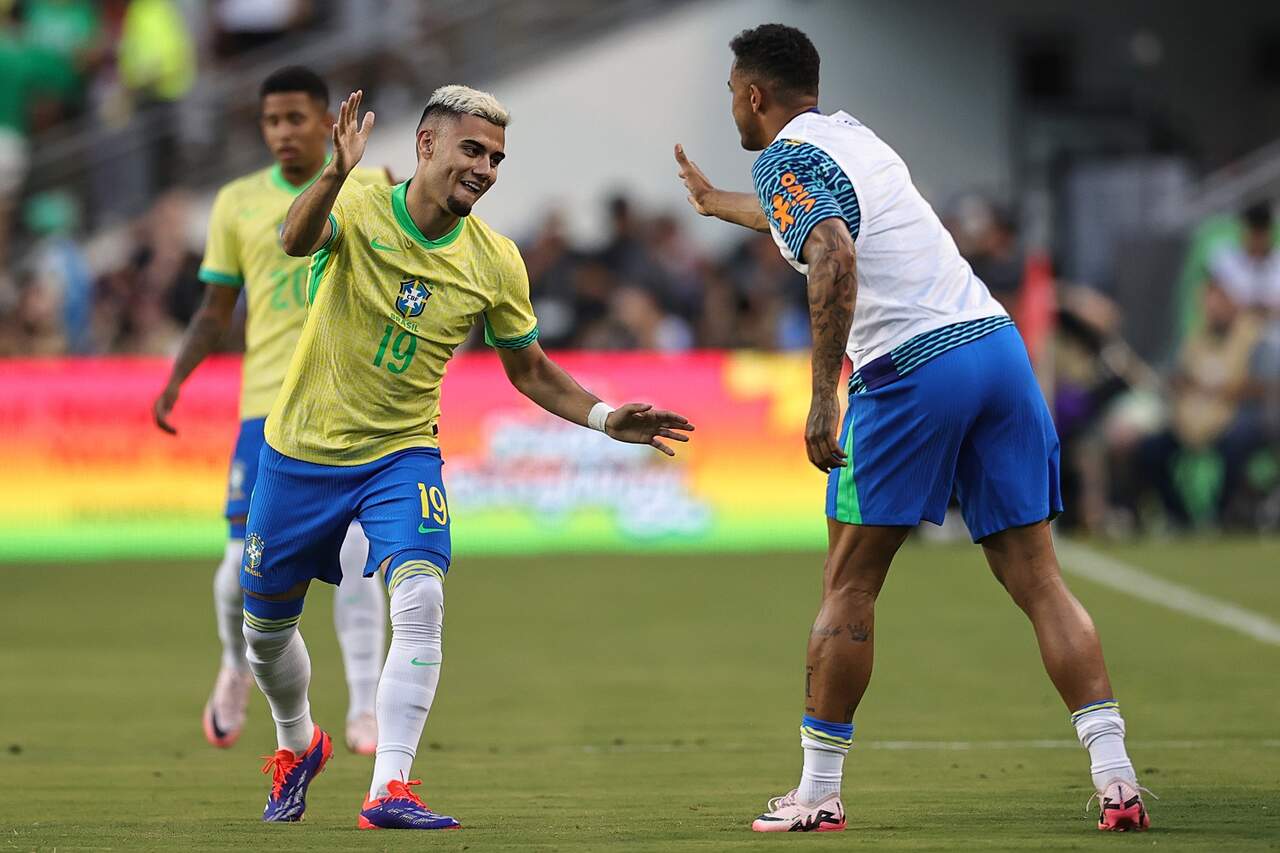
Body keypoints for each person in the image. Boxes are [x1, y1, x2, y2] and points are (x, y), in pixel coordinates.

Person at [675, 23, 1149, 834]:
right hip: (996, 350)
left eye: (730, 93)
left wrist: (825, 393)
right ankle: (1118, 781)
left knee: (849, 581)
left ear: (754, 95)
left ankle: (818, 795)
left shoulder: (784, 157)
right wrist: (718, 202)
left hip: (911, 367)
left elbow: (831, 253)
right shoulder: (853, 138)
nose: (731, 107)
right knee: (1038, 578)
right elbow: (817, 217)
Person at [243, 84, 694, 829]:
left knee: (420, 596)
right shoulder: (356, 203)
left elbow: (529, 367)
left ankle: (389, 787)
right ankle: (299, 743)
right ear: (427, 145)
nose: (486, 168)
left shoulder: (495, 261)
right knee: (264, 636)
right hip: (300, 451)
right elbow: (293, 243)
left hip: (402, 454)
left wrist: (608, 417)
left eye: (496, 158)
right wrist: (332, 171)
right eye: (472, 150)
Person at [152, 66, 390, 756]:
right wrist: (177, 378)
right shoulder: (235, 203)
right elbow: (216, 310)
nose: (284, 132)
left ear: (327, 121)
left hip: (346, 403)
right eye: (272, 121)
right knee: (236, 570)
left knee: (353, 560)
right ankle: (236, 665)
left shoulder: (373, 187)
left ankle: (366, 704)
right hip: (265, 410)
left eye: (296, 118)